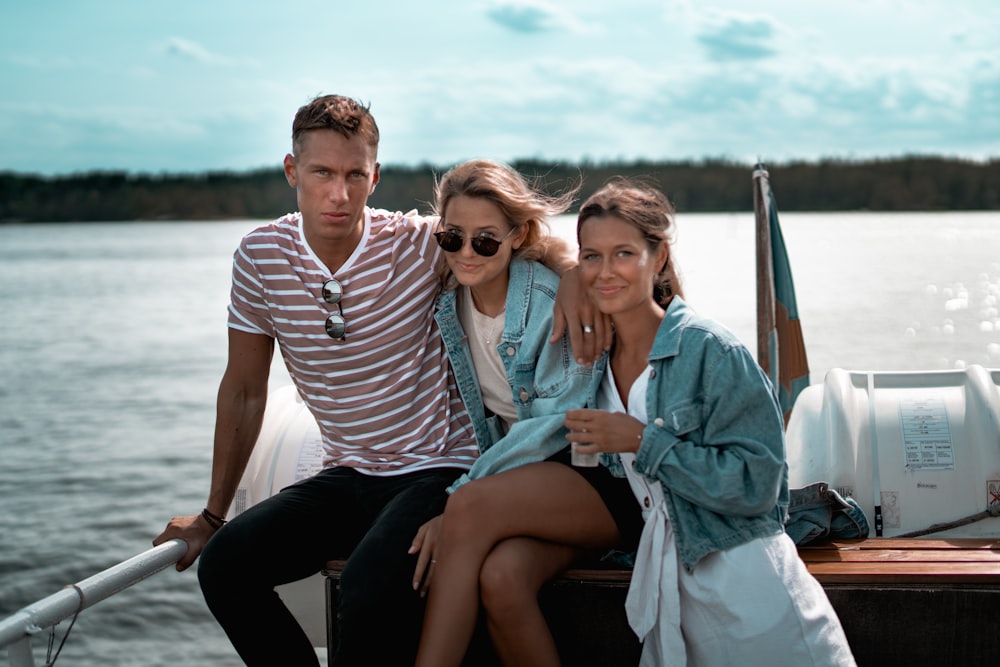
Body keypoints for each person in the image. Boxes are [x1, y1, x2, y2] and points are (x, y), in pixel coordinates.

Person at [152, 95, 587, 667]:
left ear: (374, 176)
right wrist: (212, 516)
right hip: (347, 471)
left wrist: (578, 275)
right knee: (227, 566)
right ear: (292, 171)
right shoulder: (260, 257)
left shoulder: (422, 244)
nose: (340, 192)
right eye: (322, 173)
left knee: (364, 587)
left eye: (355, 174)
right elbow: (242, 391)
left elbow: (507, 237)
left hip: (437, 467)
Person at [563, 178, 856, 666]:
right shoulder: (596, 361)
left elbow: (759, 485)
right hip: (673, 597)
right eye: (590, 256)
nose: (604, 271)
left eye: (623, 254)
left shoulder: (711, 351)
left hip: (751, 591)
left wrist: (642, 440)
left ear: (657, 257)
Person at [411, 163, 645, 666]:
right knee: (502, 578)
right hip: (529, 485)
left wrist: (457, 500)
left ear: (517, 237)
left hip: (602, 476)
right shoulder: (448, 304)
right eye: (453, 237)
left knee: (469, 509)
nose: (466, 253)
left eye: (486, 241)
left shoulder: (549, 302)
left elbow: (552, 427)